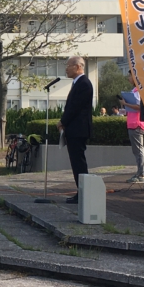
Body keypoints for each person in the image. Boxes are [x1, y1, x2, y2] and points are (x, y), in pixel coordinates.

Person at [57, 56, 93, 204]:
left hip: (79, 129)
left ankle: (84, 192)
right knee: (76, 161)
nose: (66, 68)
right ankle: (81, 191)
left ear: (78, 67)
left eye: (68, 65)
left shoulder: (84, 84)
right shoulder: (77, 83)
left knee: (78, 162)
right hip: (74, 129)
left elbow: (75, 107)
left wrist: (62, 121)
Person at [119, 70, 144, 183]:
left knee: (138, 150)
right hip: (135, 122)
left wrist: (125, 103)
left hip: (137, 123)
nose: (128, 77)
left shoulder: (138, 91)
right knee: (137, 150)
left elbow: (139, 106)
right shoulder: (137, 90)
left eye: (130, 75)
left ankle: (142, 174)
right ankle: (141, 173)